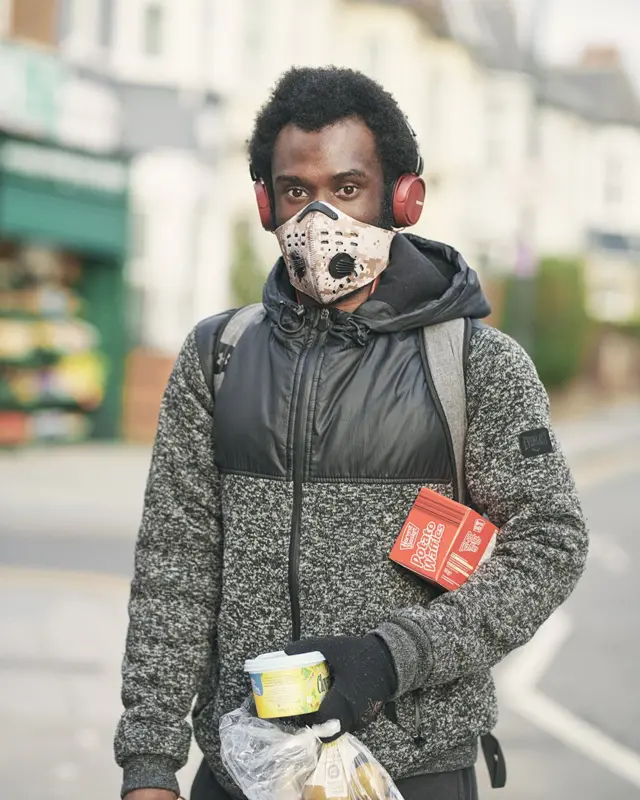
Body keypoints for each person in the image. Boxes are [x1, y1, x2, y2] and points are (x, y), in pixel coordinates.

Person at [115, 67, 588, 800]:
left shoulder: (476, 365)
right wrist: (149, 761)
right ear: (266, 204)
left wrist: (390, 657)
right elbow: (175, 565)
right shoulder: (218, 357)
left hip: (414, 771)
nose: (318, 217)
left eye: (346, 188)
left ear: (402, 197)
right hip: (241, 768)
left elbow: (549, 544)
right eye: (296, 192)